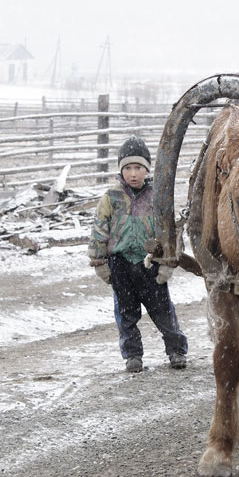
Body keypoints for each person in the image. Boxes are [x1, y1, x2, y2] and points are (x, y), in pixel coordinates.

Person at [88, 135, 188, 373]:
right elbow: (99, 229)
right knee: (126, 313)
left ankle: (176, 350)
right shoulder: (111, 198)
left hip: (149, 263)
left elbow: (169, 233)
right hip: (120, 264)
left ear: (147, 169)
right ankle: (133, 355)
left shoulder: (157, 197)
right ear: (121, 170)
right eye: (128, 168)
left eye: (138, 168)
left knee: (163, 311)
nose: (133, 174)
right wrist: (99, 262)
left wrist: (167, 263)